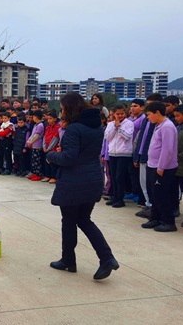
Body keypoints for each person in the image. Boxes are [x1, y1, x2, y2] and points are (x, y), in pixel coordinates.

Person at [46, 92, 118, 280]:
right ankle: (106, 258)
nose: (62, 112)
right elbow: (81, 152)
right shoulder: (96, 127)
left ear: (70, 109)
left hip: (74, 181)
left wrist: (51, 155)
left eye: (63, 109)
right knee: (84, 220)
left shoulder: (74, 129)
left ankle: (69, 259)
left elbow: (69, 158)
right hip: (93, 178)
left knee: (69, 221)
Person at [140, 101, 179, 232]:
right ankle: (155, 218)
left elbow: (167, 150)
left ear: (157, 112)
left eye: (149, 114)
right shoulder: (159, 125)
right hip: (153, 165)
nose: (148, 117)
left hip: (163, 168)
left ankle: (168, 221)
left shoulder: (167, 126)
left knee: (162, 195)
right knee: (154, 194)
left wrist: (161, 167)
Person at [104, 103, 133, 208]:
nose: (120, 116)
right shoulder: (110, 124)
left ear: (125, 113)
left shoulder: (129, 123)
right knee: (113, 177)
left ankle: (120, 199)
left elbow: (127, 136)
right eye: (117, 114)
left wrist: (119, 127)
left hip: (124, 154)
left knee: (120, 177)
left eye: (122, 113)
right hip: (112, 153)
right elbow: (107, 137)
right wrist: (114, 127)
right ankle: (114, 197)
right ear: (114, 114)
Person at [26, 110, 45, 181]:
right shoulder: (35, 125)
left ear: (36, 117)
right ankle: (34, 172)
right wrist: (29, 141)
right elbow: (32, 135)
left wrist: (31, 142)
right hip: (33, 145)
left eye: (33, 116)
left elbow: (36, 136)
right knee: (33, 160)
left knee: (37, 161)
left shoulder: (40, 125)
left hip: (38, 145)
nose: (33, 118)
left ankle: (38, 174)